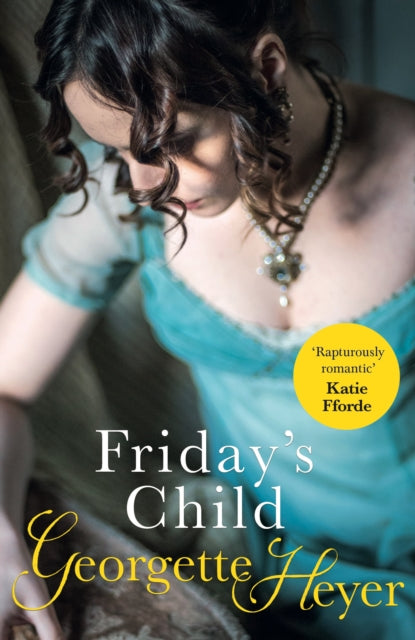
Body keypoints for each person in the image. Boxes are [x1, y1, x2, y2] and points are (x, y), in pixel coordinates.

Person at [0, 0, 414, 638]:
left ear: (266, 68)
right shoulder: (130, 198)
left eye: (170, 142)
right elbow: (5, 386)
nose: (144, 184)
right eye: (115, 150)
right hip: (255, 567)